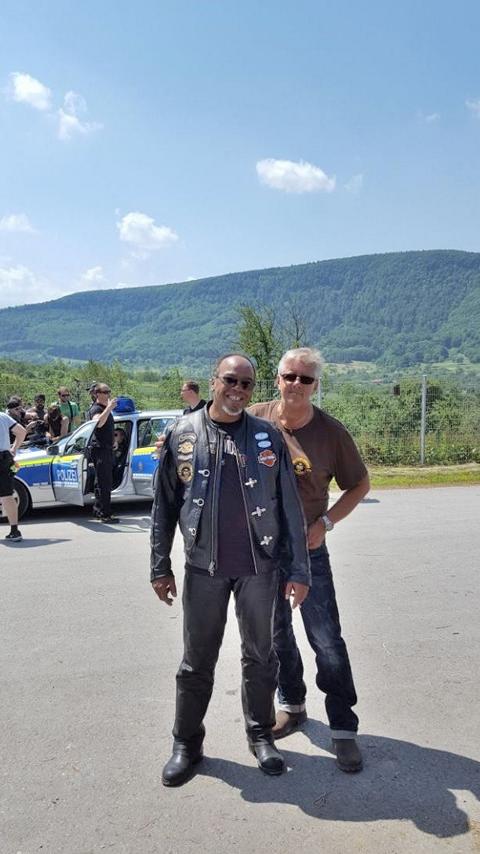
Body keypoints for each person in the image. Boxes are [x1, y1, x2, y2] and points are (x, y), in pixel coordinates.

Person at [151, 353, 311, 787]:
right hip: (203, 568)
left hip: (260, 568)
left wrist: (299, 570)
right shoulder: (182, 433)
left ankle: (261, 735)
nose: (238, 390)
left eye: (246, 384)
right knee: (196, 661)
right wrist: (159, 565)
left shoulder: (267, 436)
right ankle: (186, 743)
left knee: (261, 656)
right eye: (230, 380)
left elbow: (290, 507)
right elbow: (164, 507)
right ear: (213, 381)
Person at [249, 347, 370, 773]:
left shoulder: (331, 433)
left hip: (310, 551)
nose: (296, 384)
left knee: (326, 640)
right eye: (290, 376)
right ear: (277, 378)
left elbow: (360, 484)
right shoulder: (254, 419)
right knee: (277, 635)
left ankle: (343, 729)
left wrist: (326, 523)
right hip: (263, 552)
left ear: (316, 385)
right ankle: (294, 706)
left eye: (305, 379)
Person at [89, 384, 119, 523]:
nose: (108, 394)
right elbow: (98, 423)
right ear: (97, 394)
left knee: (101, 482)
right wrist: (109, 408)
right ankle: (105, 514)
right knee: (104, 483)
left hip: (106, 448)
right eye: (105, 392)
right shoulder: (96, 409)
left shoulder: (105, 409)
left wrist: (114, 440)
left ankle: (98, 510)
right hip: (100, 449)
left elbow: (107, 428)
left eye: (109, 392)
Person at [0, 411, 26, 542]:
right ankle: (14, 531)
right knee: (7, 495)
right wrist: (14, 449)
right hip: (4, 458)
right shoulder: (3, 416)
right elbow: (21, 432)